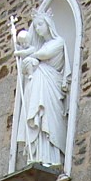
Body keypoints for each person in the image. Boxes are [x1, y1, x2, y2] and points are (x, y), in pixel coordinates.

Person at [14, 12, 69, 170]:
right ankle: (38, 156)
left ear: (48, 25)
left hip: (51, 86)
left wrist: (27, 54)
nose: (38, 28)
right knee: (38, 117)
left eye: (40, 24)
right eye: (36, 25)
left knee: (49, 119)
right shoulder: (40, 47)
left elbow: (45, 54)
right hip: (38, 86)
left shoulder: (58, 41)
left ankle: (52, 157)